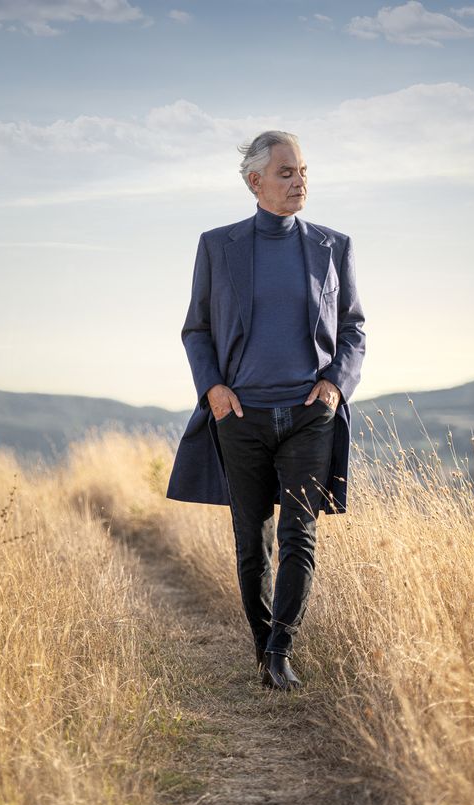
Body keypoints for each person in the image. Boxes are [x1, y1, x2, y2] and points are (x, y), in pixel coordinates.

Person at [165, 130, 366, 691]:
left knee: (298, 537)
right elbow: (196, 329)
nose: (299, 180)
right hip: (241, 416)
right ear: (255, 182)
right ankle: (261, 647)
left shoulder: (334, 246)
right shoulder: (217, 245)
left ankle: (281, 651)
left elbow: (353, 330)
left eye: (302, 171)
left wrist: (334, 387)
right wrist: (214, 391)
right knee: (251, 539)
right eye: (285, 172)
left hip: (309, 416)